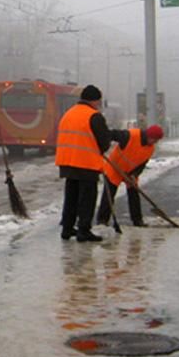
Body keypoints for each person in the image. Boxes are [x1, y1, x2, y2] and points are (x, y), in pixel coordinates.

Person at [55, 84, 123, 242]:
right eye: (99, 101)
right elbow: (104, 141)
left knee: (71, 196)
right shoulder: (94, 116)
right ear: (95, 100)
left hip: (67, 162)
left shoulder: (69, 113)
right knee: (87, 198)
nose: (99, 104)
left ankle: (67, 228)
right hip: (86, 163)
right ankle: (84, 230)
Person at [96, 124, 164, 227]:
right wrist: (101, 144)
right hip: (114, 168)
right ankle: (102, 220)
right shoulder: (130, 136)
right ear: (149, 136)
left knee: (134, 194)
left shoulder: (150, 148)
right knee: (109, 195)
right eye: (155, 139)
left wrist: (134, 175)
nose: (155, 142)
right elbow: (111, 134)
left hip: (130, 172)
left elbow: (142, 164)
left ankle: (137, 220)